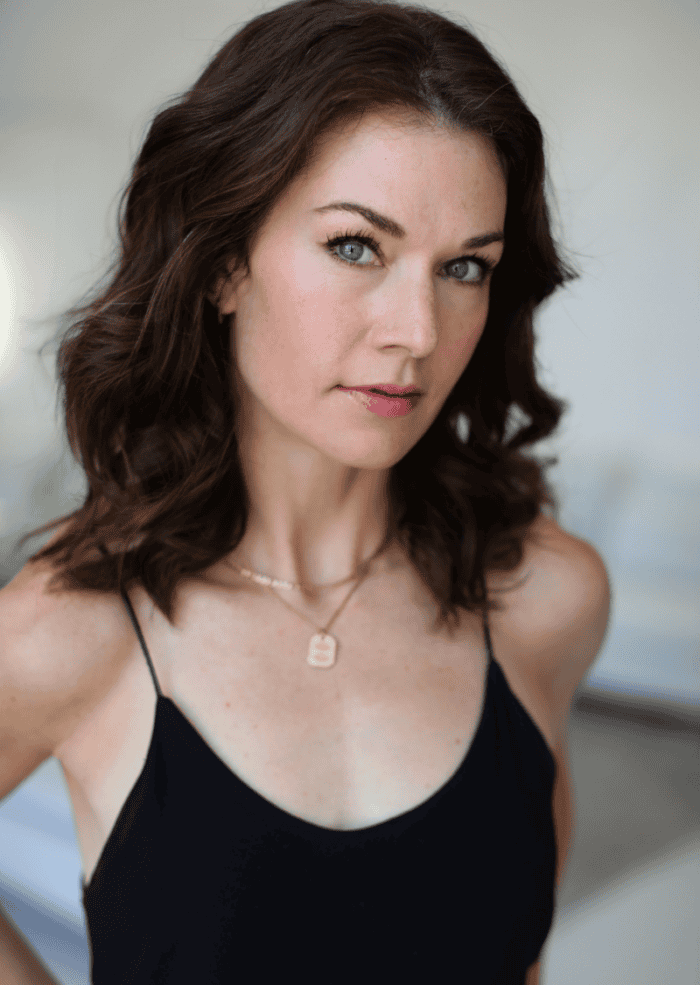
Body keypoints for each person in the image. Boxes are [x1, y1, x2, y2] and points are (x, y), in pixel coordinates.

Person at [0, 0, 611, 981]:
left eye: (464, 266)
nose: (417, 329)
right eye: (356, 246)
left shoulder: (545, 597)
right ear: (225, 261)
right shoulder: (71, 630)